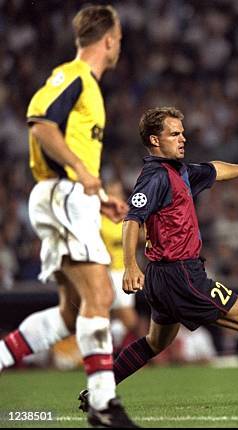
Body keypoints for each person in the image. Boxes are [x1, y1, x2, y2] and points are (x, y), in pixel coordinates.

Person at [78, 107, 238, 411]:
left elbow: (213, 169)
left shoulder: (178, 171)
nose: (183, 138)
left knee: (156, 342)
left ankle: (98, 389)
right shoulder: (155, 177)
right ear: (155, 141)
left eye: (182, 132)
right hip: (180, 274)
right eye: (175, 134)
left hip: (164, 275)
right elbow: (132, 219)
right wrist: (130, 264)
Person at [0, 5, 138, 427]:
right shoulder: (73, 75)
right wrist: (80, 171)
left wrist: (99, 200)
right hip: (62, 193)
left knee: (71, 311)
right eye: (119, 38)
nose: (120, 45)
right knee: (100, 295)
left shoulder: (92, 88)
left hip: (75, 198)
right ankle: (102, 404)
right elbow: (40, 123)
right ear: (109, 39)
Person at [100, 180, 140, 349]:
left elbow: (142, 235)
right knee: (105, 317)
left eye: (117, 192)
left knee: (129, 321)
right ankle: (102, 356)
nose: (114, 196)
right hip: (105, 272)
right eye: (111, 192)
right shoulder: (98, 218)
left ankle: (120, 349)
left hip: (124, 271)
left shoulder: (128, 217)